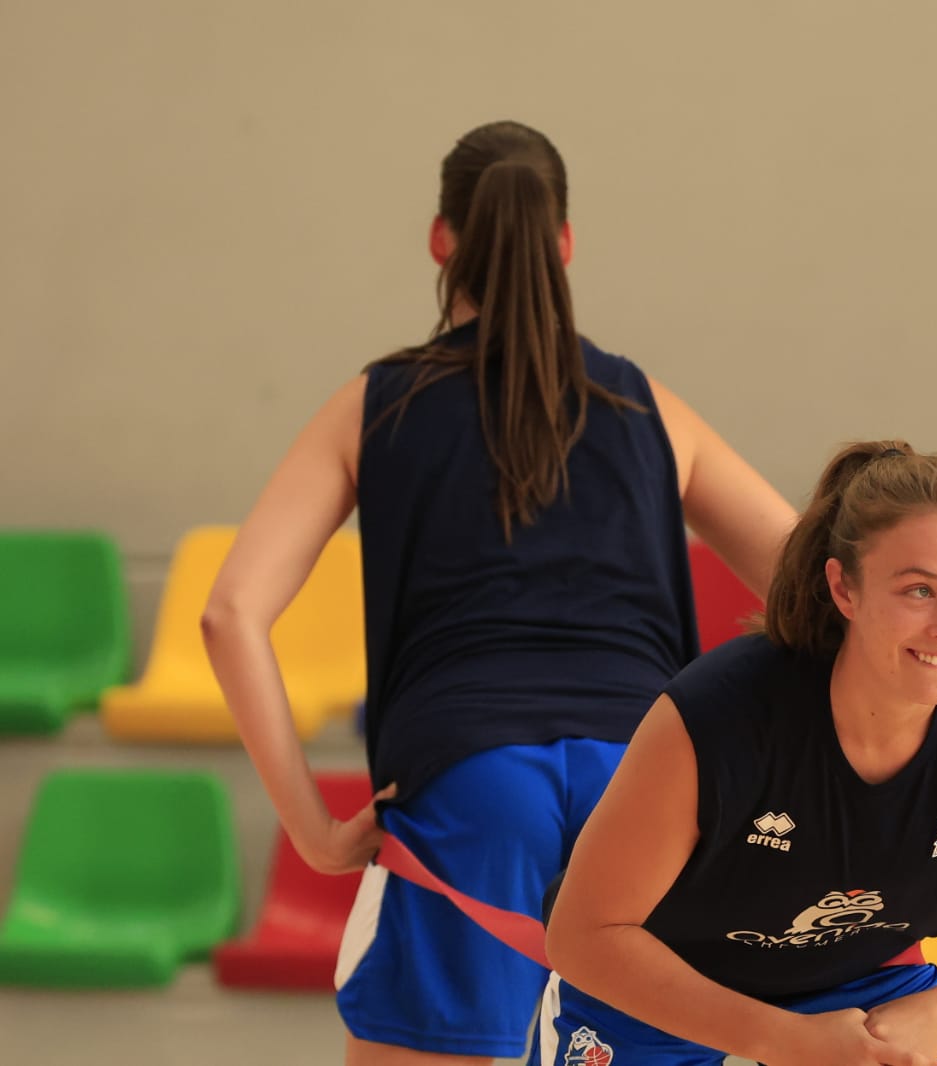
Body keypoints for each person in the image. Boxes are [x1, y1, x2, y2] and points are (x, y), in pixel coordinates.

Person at [200, 120, 796, 1066]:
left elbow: (229, 613)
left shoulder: (376, 402)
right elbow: (818, 585)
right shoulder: (647, 404)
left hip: (470, 777)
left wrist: (313, 831)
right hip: (643, 776)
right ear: (565, 242)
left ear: (443, 240)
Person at [543, 440, 937, 1066]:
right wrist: (785, 1041)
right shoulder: (718, 714)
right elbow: (586, 937)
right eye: (918, 591)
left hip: (864, 982)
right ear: (844, 590)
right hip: (662, 983)